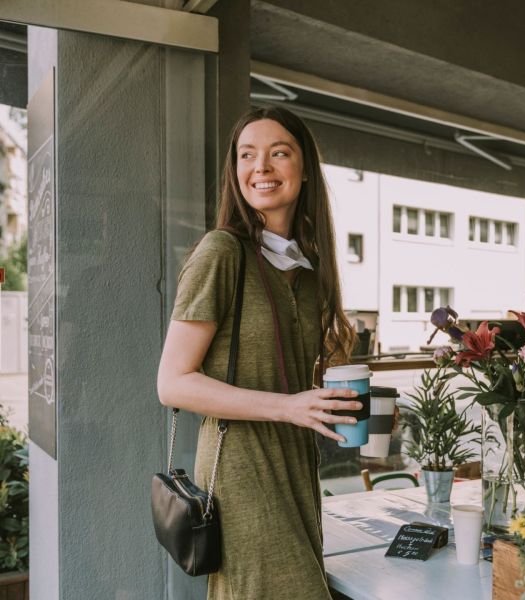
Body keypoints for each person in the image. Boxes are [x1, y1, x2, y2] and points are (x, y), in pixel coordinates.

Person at [157, 106, 360, 599]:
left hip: (296, 470)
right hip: (242, 475)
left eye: (278, 153)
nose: (261, 167)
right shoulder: (221, 253)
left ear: (304, 167)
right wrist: (289, 407)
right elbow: (172, 383)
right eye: (247, 155)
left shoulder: (307, 272)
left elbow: (282, 378)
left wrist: (336, 408)